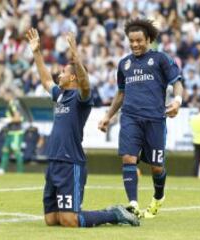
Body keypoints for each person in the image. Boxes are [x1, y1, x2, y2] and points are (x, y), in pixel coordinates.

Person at [26, 28, 139, 228]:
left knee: (69, 221)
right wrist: (36, 52)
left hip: (71, 163)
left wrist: (77, 58)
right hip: (54, 162)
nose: (58, 75)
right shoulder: (60, 95)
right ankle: (107, 213)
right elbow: (45, 80)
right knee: (51, 220)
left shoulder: (81, 98)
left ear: (72, 78)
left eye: (62, 72)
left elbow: (85, 85)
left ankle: (114, 214)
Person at [98, 19, 184, 219]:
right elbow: (121, 93)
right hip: (130, 117)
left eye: (139, 40)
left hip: (155, 119)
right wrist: (108, 116)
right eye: (131, 41)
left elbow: (177, 82)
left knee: (156, 167)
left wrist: (178, 101)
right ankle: (133, 205)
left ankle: (158, 197)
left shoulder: (160, 59)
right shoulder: (124, 64)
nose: (135, 44)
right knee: (128, 158)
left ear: (149, 39)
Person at [0, 88, 25, 174]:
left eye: (5, 94)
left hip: (16, 132)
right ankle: (1, 169)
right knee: (5, 150)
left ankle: (20, 172)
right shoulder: (10, 104)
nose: (3, 96)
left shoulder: (13, 104)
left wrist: (7, 120)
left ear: (10, 95)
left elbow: (19, 118)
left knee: (16, 151)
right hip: (10, 131)